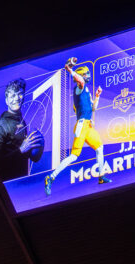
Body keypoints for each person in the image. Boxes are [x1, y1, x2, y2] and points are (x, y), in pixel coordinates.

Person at [45, 58, 111, 195]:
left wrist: (98, 96)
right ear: (80, 76)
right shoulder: (78, 89)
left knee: (99, 148)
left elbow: (93, 108)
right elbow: (79, 81)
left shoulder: (85, 90)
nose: (88, 76)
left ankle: (101, 177)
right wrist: (69, 70)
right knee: (74, 156)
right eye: (86, 74)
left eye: (87, 74)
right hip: (81, 126)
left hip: (88, 126)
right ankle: (51, 177)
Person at [0, 78, 44, 181]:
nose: (17, 98)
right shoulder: (0, 128)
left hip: (22, 183)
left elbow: (32, 157)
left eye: (20, 94)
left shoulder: (21, 121)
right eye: (13, 95)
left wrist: (38, 144)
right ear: (6, 100)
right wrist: (21, 150)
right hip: (8, 186)